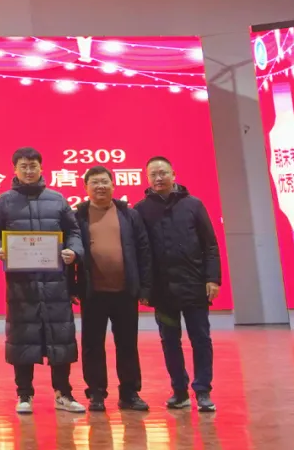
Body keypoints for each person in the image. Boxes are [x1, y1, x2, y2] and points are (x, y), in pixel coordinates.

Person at [0, 147, 86, 414]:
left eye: (33, 166)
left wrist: (74, 251)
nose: (29, 171)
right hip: (21, 283)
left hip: (56, 281)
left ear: (41, 168)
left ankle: (63, 393)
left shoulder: (57, 199)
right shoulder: (4, 201)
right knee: (23, 337)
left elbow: (74, 232)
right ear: (14, 169)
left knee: (60, 337)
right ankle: (24, 394)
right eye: (23, 166)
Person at [134, 156, 221, 413]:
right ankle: (179, 391)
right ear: (147, 179)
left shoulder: (193, 205)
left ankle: (203, 391)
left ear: (174, 174)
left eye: (163, 172)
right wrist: (145, 288)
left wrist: (212, 278)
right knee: (169, 341)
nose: (158, 178)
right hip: (163, 291)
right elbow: (141, 253)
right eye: (153, 174)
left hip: (195, 286)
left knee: (201, 339)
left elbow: (210, 245)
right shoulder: (141, 210)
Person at [70, 165, 152, 413]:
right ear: (86, 187)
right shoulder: (78, 216)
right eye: (94, 182)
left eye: (104, 181)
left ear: (113, 185)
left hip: (125, 291)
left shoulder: (129, 214)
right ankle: (96, 393)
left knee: (127, 344)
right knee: (92, 345)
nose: (100, 186)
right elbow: (69, 251)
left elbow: (144, 251)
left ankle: (130, 393)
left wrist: (145, 287)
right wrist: (71, 286)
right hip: (92, 292)